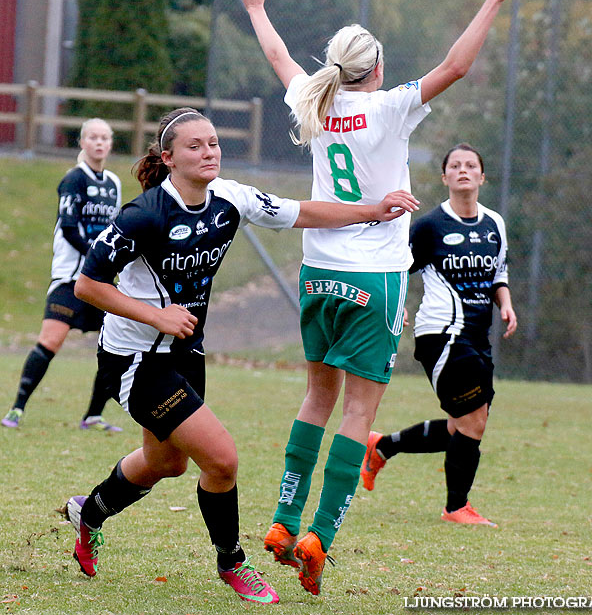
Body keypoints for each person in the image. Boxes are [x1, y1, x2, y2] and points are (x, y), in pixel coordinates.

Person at [236, 0, 518, 594]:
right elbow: (457, 66)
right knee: (359, 411)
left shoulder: (312, 100)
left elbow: (280, 55)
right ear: (378, 68)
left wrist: (256, 5)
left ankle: (283, 520)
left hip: (318, 272)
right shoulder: (391, 108)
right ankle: (319, 538)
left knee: (316, 397)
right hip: (376, 278)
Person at [64, 107, 418, 606]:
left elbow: (302, 212)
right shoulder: (143, 215)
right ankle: (233, 562)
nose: (209, 152)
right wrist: (156, 316)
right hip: (136, 360)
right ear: (168, 158)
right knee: (223, 461)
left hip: (185, 353)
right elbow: (87, 284)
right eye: (195, 146)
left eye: (213, 143)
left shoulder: (230, 197)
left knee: (167, 463)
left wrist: (371, 209)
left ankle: (90, 512)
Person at [361, 143, 517, 528]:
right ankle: (456, 507)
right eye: (455, 166)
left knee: (463, 424)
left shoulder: (494, 222)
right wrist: (399, 304)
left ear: (482, 177)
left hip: (479, 336)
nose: (463, 171)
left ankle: (382, 446)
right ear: (445, 177)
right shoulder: (431, 226)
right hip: (442, 334)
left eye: (471, 165)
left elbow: (499, 271)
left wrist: (506, 303)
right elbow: (397, 267)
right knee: (472, 422)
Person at [2, 118, 123, 431]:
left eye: (104, 138)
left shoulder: (113, 182)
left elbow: (114, 229)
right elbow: (69, 228)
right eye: (92, 137)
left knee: (114, 347)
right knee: (50, 341)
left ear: (110, 144)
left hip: (100, 280)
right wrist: (96, 256)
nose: (98, 143)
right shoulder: (74, 179)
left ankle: (93, 415)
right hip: (71, 277)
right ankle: (16, 409)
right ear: (82, 143)